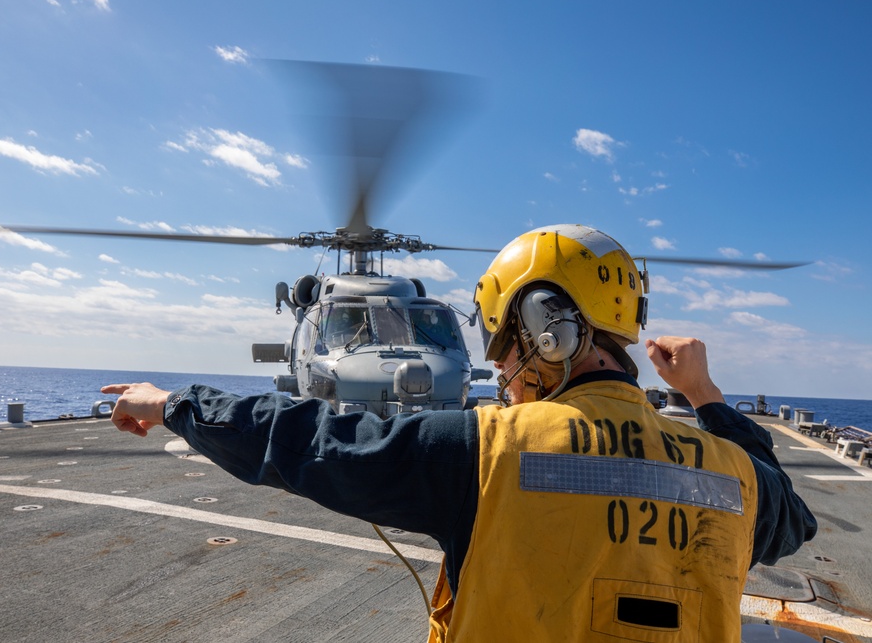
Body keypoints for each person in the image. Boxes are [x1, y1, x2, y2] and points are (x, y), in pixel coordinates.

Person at [103, 224, 816, 642]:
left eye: (506, 343)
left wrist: (175, 403)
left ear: (548, 330)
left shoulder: (490, 451)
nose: (501, 367)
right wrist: (705, 395)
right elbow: (791, 514)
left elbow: (306, 438)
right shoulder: (735, 477)